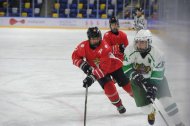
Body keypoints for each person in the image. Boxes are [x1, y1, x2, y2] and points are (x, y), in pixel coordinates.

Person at [123, 29, 185, 126]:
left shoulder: (158, 54)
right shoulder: (130, 50)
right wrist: (133, 74)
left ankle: (179, 123)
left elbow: (158, 72)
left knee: (167, 101)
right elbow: (126, 66)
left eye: (142, 42)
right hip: (137, 82)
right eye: (138, 41)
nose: (139, 44)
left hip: (156, 80)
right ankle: (151, 112)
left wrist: (153, 86)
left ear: (149, 42)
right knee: (145, 108)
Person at [72, 27, 133, 114]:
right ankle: (119, 105)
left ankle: (140, 98)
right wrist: (83, 65)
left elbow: (104, 69)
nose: (96, 40)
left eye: (97, 38)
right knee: (109, 88)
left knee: (127, 86)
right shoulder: (83, 46)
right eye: (93, 39)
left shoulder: (105, 47)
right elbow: (75, 56)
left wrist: (91, 78)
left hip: (113, 66)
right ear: (89, 39)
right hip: (98, 70)